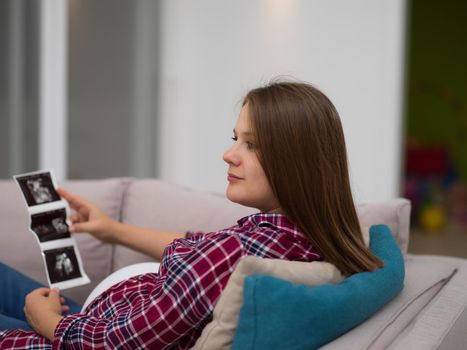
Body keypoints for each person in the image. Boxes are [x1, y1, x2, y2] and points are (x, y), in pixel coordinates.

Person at [0, 80, 383, 349]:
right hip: (100, 320)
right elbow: (200, 251)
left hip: (82, 335)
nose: (229, 154)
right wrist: (112, 230)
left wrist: (45, 320)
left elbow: (116, 344)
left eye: (252, 145)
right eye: (237, 139)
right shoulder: (296, 234)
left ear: (296, 163)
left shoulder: (242, 251)